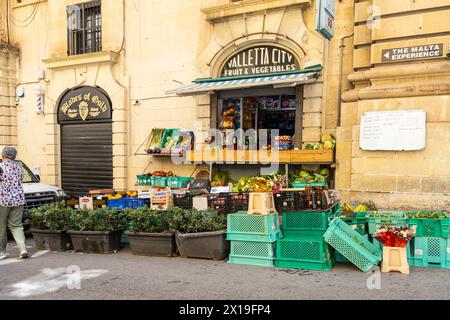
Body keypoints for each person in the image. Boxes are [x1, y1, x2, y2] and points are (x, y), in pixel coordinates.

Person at [0, 146, 28, 260]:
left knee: (1, 226)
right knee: (16, 225)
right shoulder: (19, 167)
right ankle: (23, 249)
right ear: (14, 156)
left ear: (3, 155)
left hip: (2, 200)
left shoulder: (0, 167)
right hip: (18, 199)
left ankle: (1, 252)